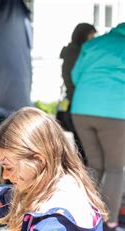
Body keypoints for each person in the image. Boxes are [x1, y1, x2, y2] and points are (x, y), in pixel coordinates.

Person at [71, 22, 125, 231]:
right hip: (114, 111)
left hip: (82, 109)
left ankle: (84, 217)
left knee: (95, 164)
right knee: (114, 168)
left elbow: (76, 76)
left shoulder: (95, 44)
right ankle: (109, 223)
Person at [58, 23, 96, 162]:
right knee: (84, 148)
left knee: (82, 146)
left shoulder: (73, 52)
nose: (94, 39)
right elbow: (72, 79)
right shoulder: (78, 53)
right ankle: (85, 176)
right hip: (78, 103)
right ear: (84, 35)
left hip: (74, 102)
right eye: (92, 35)